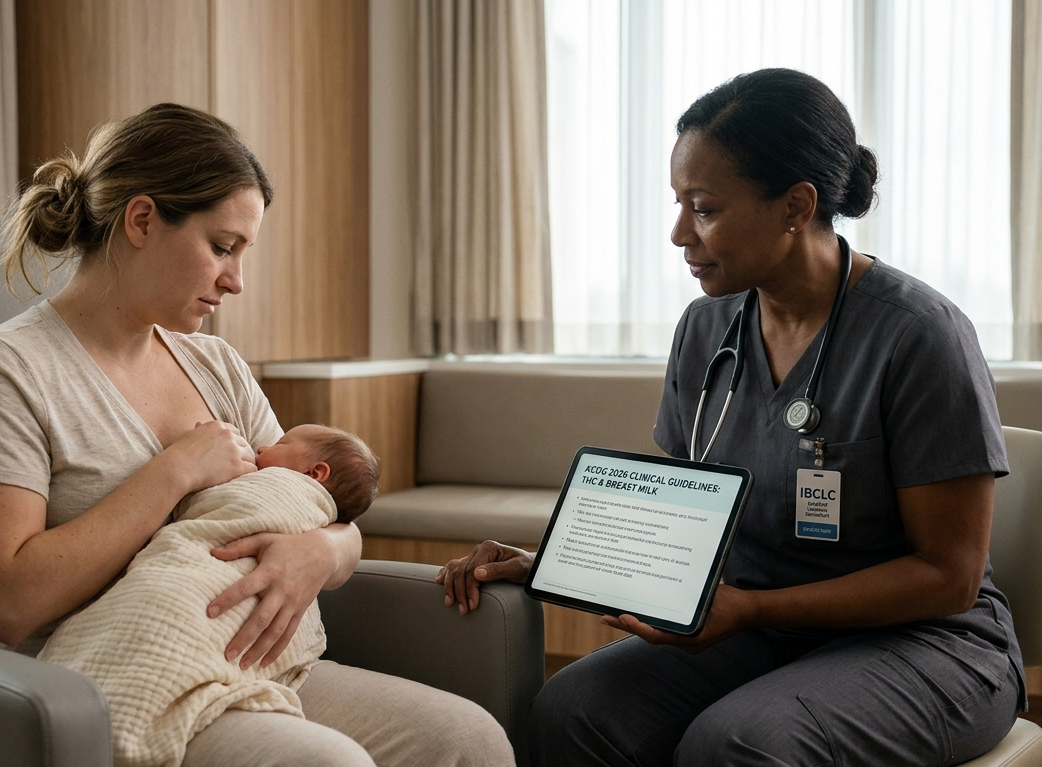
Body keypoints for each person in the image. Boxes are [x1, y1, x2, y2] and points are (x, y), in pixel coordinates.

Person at [437, 68, 1023, 766]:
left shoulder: (919, 334)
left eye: (705, 208)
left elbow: (949, 575)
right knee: (573, 709)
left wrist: (753, 609)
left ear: (795, 206)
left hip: (928, 642)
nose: (680, 232)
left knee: (739, 743)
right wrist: (551, 564)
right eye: (680, 203)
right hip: (757, 625)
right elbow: (688, 525)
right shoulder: (706, 326)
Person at [0, 102, 514, 767]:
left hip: (240, 664)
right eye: (222, 246)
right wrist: (172, 472)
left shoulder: (214, 364)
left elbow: (311, 503)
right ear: (142, 219)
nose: (236, 280)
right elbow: (7, 602)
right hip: (100, 688)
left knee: (469, 741)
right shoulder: (5, 370)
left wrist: (324, 550)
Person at [39, 424, 380, 767]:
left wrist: (324, 547)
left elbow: (340, 524)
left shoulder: (230, 385)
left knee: (437, 729)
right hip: (176, 597)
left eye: (281, 443)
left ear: (315, 473)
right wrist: (180, 468)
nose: (261, 447)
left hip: (276, 652)